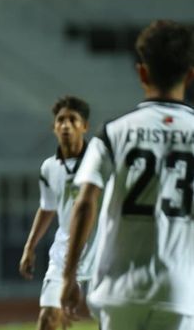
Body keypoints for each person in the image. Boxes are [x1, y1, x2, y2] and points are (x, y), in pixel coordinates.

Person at [61, 19, 194, 330]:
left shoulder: (113, 133)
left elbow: (84, 204)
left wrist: (68, 276)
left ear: (142, 72)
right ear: (189, 77)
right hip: (179, 292)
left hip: (119, 291)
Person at [19, 96, 98, 330]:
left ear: (85, 126)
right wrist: (29, 247)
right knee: (49, 321)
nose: (66, 125)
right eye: (60, 120)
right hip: (63, 254)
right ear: (53, 127)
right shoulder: (49, 167)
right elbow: (47, 207)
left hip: (101, 253)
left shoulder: (102, 161)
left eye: (73, 120)